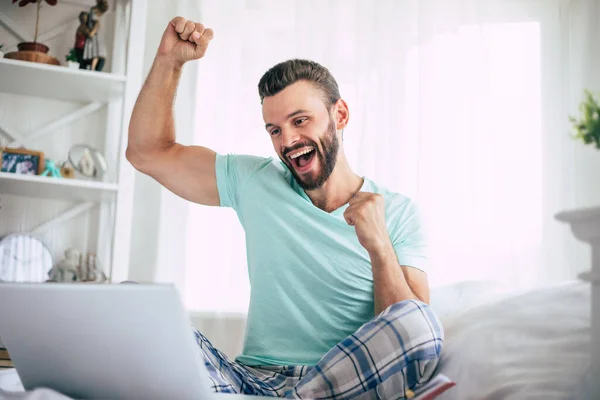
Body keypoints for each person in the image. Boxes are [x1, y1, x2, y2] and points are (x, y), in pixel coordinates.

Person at [127, 17, 444, 399]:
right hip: (251, 380)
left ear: (339, 116)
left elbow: (412, 340)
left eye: (300, 121)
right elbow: (147, 153)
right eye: (274, 130)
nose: (288, 140)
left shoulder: (398, 212)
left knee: (421, 321)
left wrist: (378, 244)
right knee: (138, 311)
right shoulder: (254, 179)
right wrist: (168, 61)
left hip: (341, 384)